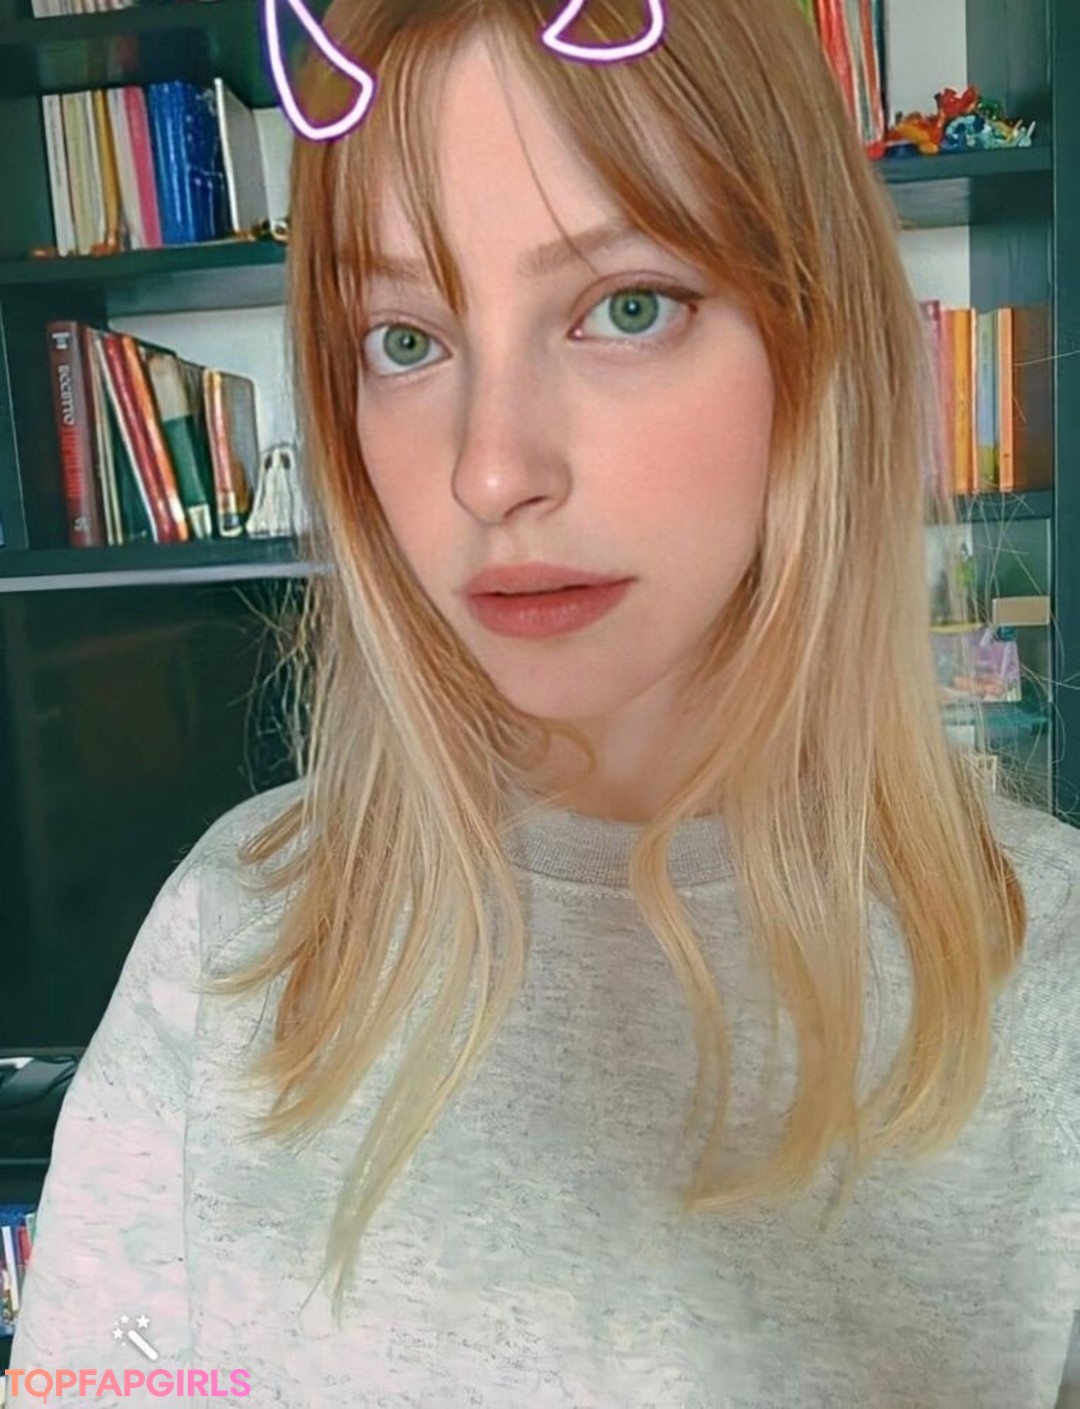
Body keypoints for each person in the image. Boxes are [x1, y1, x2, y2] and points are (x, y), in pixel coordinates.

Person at [9, 0, 1079, 1404]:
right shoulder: (238, 930)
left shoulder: (1046, 975)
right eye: (405, 339)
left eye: (626, 307)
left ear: (818, 345)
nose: (492, 470)